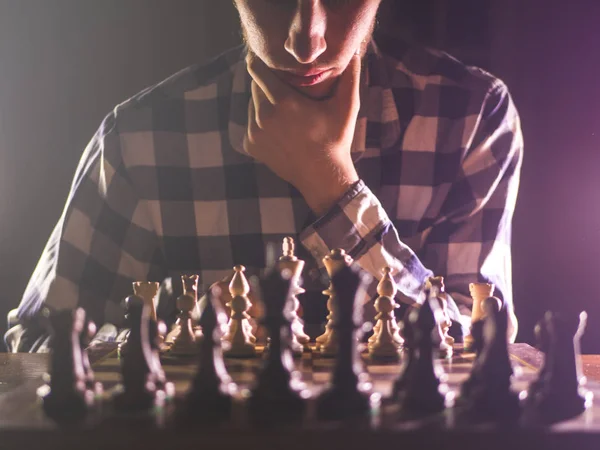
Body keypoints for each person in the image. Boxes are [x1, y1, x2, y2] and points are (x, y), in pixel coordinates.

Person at [5, 0, 522, 352]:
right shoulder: (140, 137)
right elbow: (35, 347)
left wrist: (331, 182)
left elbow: (482, 351)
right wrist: (189, 328)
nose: (306, 41)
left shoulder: (471, 118)